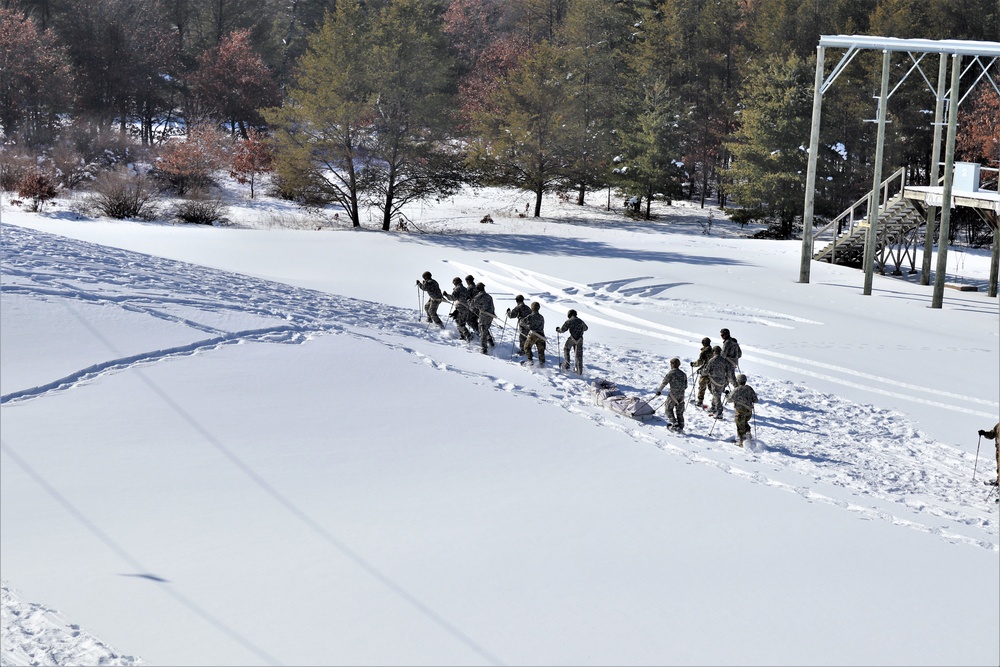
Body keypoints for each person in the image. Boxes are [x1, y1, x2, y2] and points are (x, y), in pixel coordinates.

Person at [655, 357, 688, 431]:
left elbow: (664, 383)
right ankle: (681, 425)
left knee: (668, 409)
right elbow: (685, 386)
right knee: (680, 412)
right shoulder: (683, 374)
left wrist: (659, 391)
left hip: (673, 395)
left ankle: (674, 424)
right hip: (682, 395)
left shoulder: (671, 373)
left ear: (672, 364)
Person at [726, 374, 758, 447]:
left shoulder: (737, 389)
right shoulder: (750, 388)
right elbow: (756, 400)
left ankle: (742, 443)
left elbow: (729, 400)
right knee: (744, 422)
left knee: (740, 427)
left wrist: (727, 394)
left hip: (740, 412)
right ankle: (748, 433)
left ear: (738, 381)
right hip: (748, 412)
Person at [703, 345, 736, 417]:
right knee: (717, 394)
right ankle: (713, 406)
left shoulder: (712, 360)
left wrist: (701, 372)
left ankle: (719, 412)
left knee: (716, 395)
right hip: (723, 381)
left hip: (714, 381)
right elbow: (729, 371)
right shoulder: (724, 361)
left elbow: (706, 371)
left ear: (714, 352)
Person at [555, 309, 588, 374]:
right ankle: (579, 371)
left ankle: (567, 365)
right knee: (579, 355)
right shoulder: (580, 321)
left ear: (569, 315)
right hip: (580, 340)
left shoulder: (569, 321)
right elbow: (586, 328)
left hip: (572, 338)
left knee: (566, 349)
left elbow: (562, 330)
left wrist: (558, 329)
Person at [469, 282, 496, 353]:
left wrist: (469, 301)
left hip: (483, 316)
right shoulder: (489, 296)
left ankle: (484, 349)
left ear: (477, 289)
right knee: (486, 329)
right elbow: (492, 307)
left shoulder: (478, 297)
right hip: (490, 316)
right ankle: (491, 342)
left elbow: (471, 307)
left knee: (482, 331)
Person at [690, 337, 713, 407]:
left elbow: (700, 362)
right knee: (711, 387)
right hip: (712, 372)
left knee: (702, 387)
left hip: (705, 372)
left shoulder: (704, 352)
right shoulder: (714, 351)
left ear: (703, 343)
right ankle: (716, 400)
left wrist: (693, 364)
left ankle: (700, 401)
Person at [522, 301, 546, 366]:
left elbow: (522, 323)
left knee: (527, 347)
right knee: (541, 351)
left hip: (533, 334)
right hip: (541, 335)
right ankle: (542, 364)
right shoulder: (541, 317)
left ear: (532, 308)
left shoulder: (530, 316)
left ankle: (530, 361)